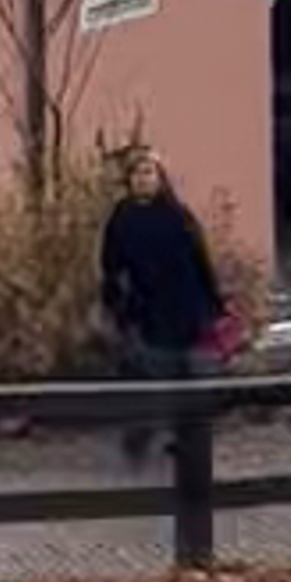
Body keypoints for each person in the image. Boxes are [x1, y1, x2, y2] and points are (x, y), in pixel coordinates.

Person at [98, 152, 225, 447]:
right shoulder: (122, 217)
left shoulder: (176, 214)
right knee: (149, 369)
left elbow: (199, 257)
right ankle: (147, 431)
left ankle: (184, 434)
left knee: (185, 370)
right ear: (129, 180)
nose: (143, 179)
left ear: (159, 178)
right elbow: (110, 264)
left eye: (149, 173)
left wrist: (212, 301)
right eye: (138, 173)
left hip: (183, 304)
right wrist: (114, 302)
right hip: (144, 306)